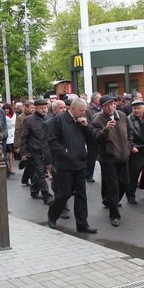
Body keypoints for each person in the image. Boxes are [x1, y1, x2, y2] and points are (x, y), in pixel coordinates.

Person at [46, 98, 97, 234]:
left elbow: (92, 139)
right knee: (64, 194)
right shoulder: (59, 120)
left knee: (81, 195)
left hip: (80, 163)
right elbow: (52, 140)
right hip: (64, 164)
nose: (83, 113)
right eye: (81, 110)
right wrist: (64, 153)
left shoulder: (82, 121)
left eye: (84, 110)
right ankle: (52, 215)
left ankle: (82, 224)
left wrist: (86, 126)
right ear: (72, 109)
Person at [92, 95, 132, 227]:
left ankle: (111, 201)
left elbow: (130, 132)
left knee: (125, 183)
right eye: (107, 105)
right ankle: (114, 215)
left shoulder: (122, 115)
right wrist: (106, 129)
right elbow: (96, 138)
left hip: (123, 156)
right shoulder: (98, 119)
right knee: (113, 187)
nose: (110, 107)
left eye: (112, 104)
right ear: (102, 107)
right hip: (108, 158)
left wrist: (129, 146)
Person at [20, 99, 53, 205]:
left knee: (38, 173)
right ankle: (46, 196)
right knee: (40, 173)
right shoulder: (28, 120)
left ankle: (34, 191)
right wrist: (23, 153)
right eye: (42, 108)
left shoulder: (49, 119)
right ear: (36, 108)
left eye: (45, 108)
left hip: (46, 151)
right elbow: (23, 137)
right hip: (34, 151)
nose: (44, 110)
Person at [15, 101, 35, 186]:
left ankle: (25, 179)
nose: (33, 109)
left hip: (33, 142)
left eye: (34, 108)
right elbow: (18, 131)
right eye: (31, 108)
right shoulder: (21, 117)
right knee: (30, 163)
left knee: (30, 163)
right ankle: (32, 182)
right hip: (25, 143)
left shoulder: (35, 116)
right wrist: (16, 146)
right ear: (26, 108)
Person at [85, 92, 102, 182]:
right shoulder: (88, 109)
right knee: (92, 157)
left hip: (101, 134)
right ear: (94, 99)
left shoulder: (101, 108)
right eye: (99, 98)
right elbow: (87, 123)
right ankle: (88, 175)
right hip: (92, 136)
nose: (101, 99)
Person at [4, 103, 16, 174]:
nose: (6, 110)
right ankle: (9, 167)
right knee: (9, 152)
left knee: (11, 152)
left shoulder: (14, 115)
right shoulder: (2, 116)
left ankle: (11, 167)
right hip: (6, 135)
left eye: (7, 108)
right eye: (5, 109)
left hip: (13, 134)